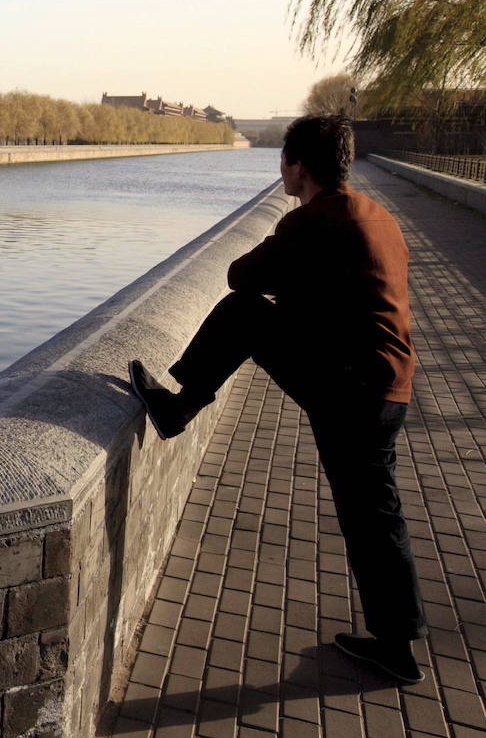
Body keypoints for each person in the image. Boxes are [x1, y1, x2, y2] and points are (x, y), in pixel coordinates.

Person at [129, 114, 426, 683]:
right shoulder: (377, 214)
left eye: (284, 159)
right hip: (391, 386)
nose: (280, 168)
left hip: (353, 387)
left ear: (300, 167)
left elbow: (240, 276)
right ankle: (397, 641)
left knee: (243, 315)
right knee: (376, 513)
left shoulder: (314, 221)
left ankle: (178, 408)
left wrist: (285, 257)